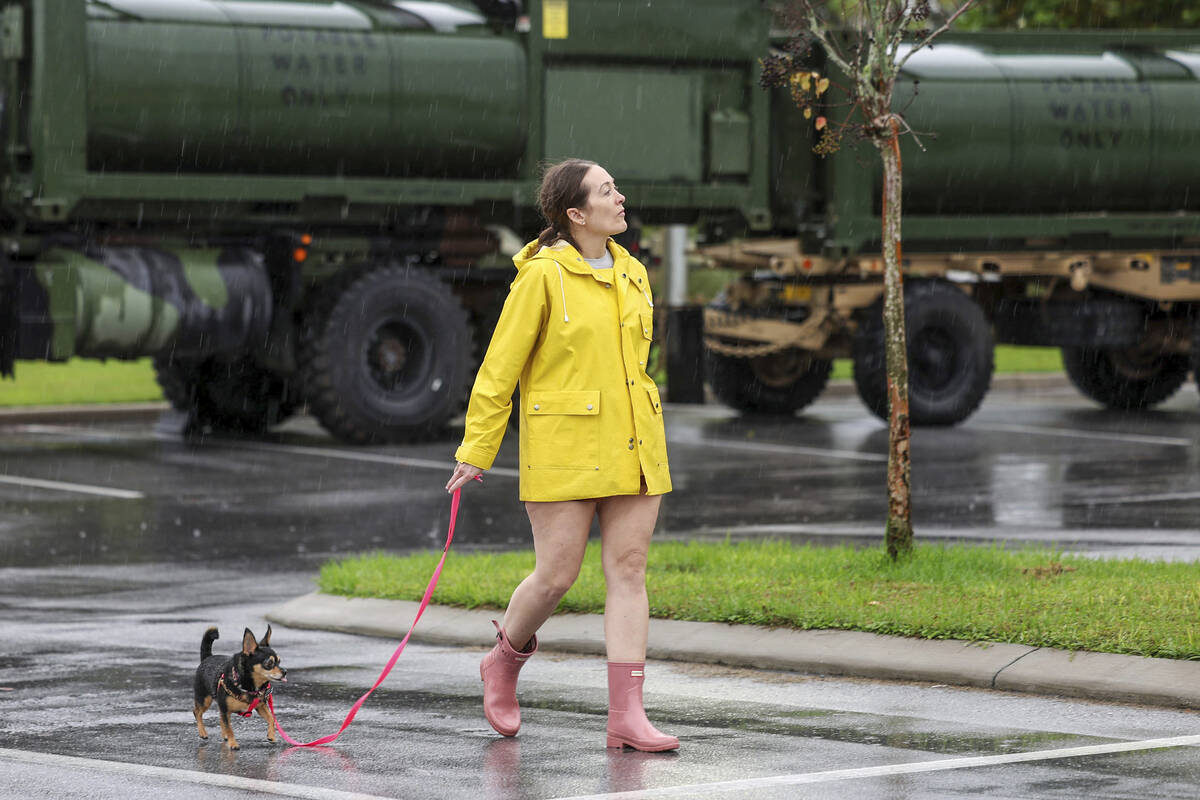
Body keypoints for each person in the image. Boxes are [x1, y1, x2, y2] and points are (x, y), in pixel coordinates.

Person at [445, 158, 677, 752]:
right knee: (556, 576)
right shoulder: (541, 277)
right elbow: (500, 368)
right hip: (566, 447)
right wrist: (477, 450)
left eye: (616, 187)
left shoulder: (633, 272)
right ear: (576, 214)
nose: (620, 198)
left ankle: (627, 716)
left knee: (628, 572)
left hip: (634, 446)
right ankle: (502, 661)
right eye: (606, 191)